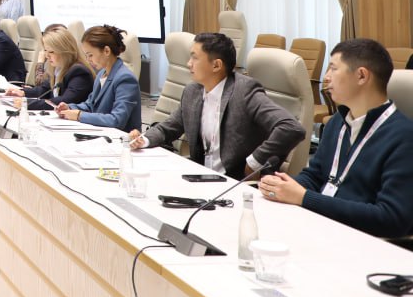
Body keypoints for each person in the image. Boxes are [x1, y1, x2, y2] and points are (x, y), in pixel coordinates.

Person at [258, 38, 413, 238]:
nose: (326, 77)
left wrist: (304, 198)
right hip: (322, 226)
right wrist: (282, 186)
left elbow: (391, 219)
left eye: (333, 69)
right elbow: (315, 176)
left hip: (364, 242)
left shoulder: (404, 137)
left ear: (361, 76)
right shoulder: (337, 122)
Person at [127, 32, 304, 178]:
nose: (188, 64)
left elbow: (291, 128)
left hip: (234, 184)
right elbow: (168, 127)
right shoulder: (193, 91)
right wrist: (144, 139)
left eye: (195, 58)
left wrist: (254, 161)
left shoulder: (244, 92)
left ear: (216, 65)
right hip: (201, 178)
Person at [55, 25, 141, 132]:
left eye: (90, 55)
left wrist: (79, 115)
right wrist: (70, 108)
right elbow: (90, 105)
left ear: (106, 51)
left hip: (121, 138)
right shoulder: (101, 74)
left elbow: (117, 120)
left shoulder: (125, 79)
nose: (88, 60)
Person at [4, 26, 92, 110]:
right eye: (45, 50)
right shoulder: (56, 67)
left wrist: (27, 103)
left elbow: (65, 101)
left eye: (51, 52)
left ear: (65, 51)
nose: (47, 55)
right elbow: (44, 90)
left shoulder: (79, 72)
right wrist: (23, 92)